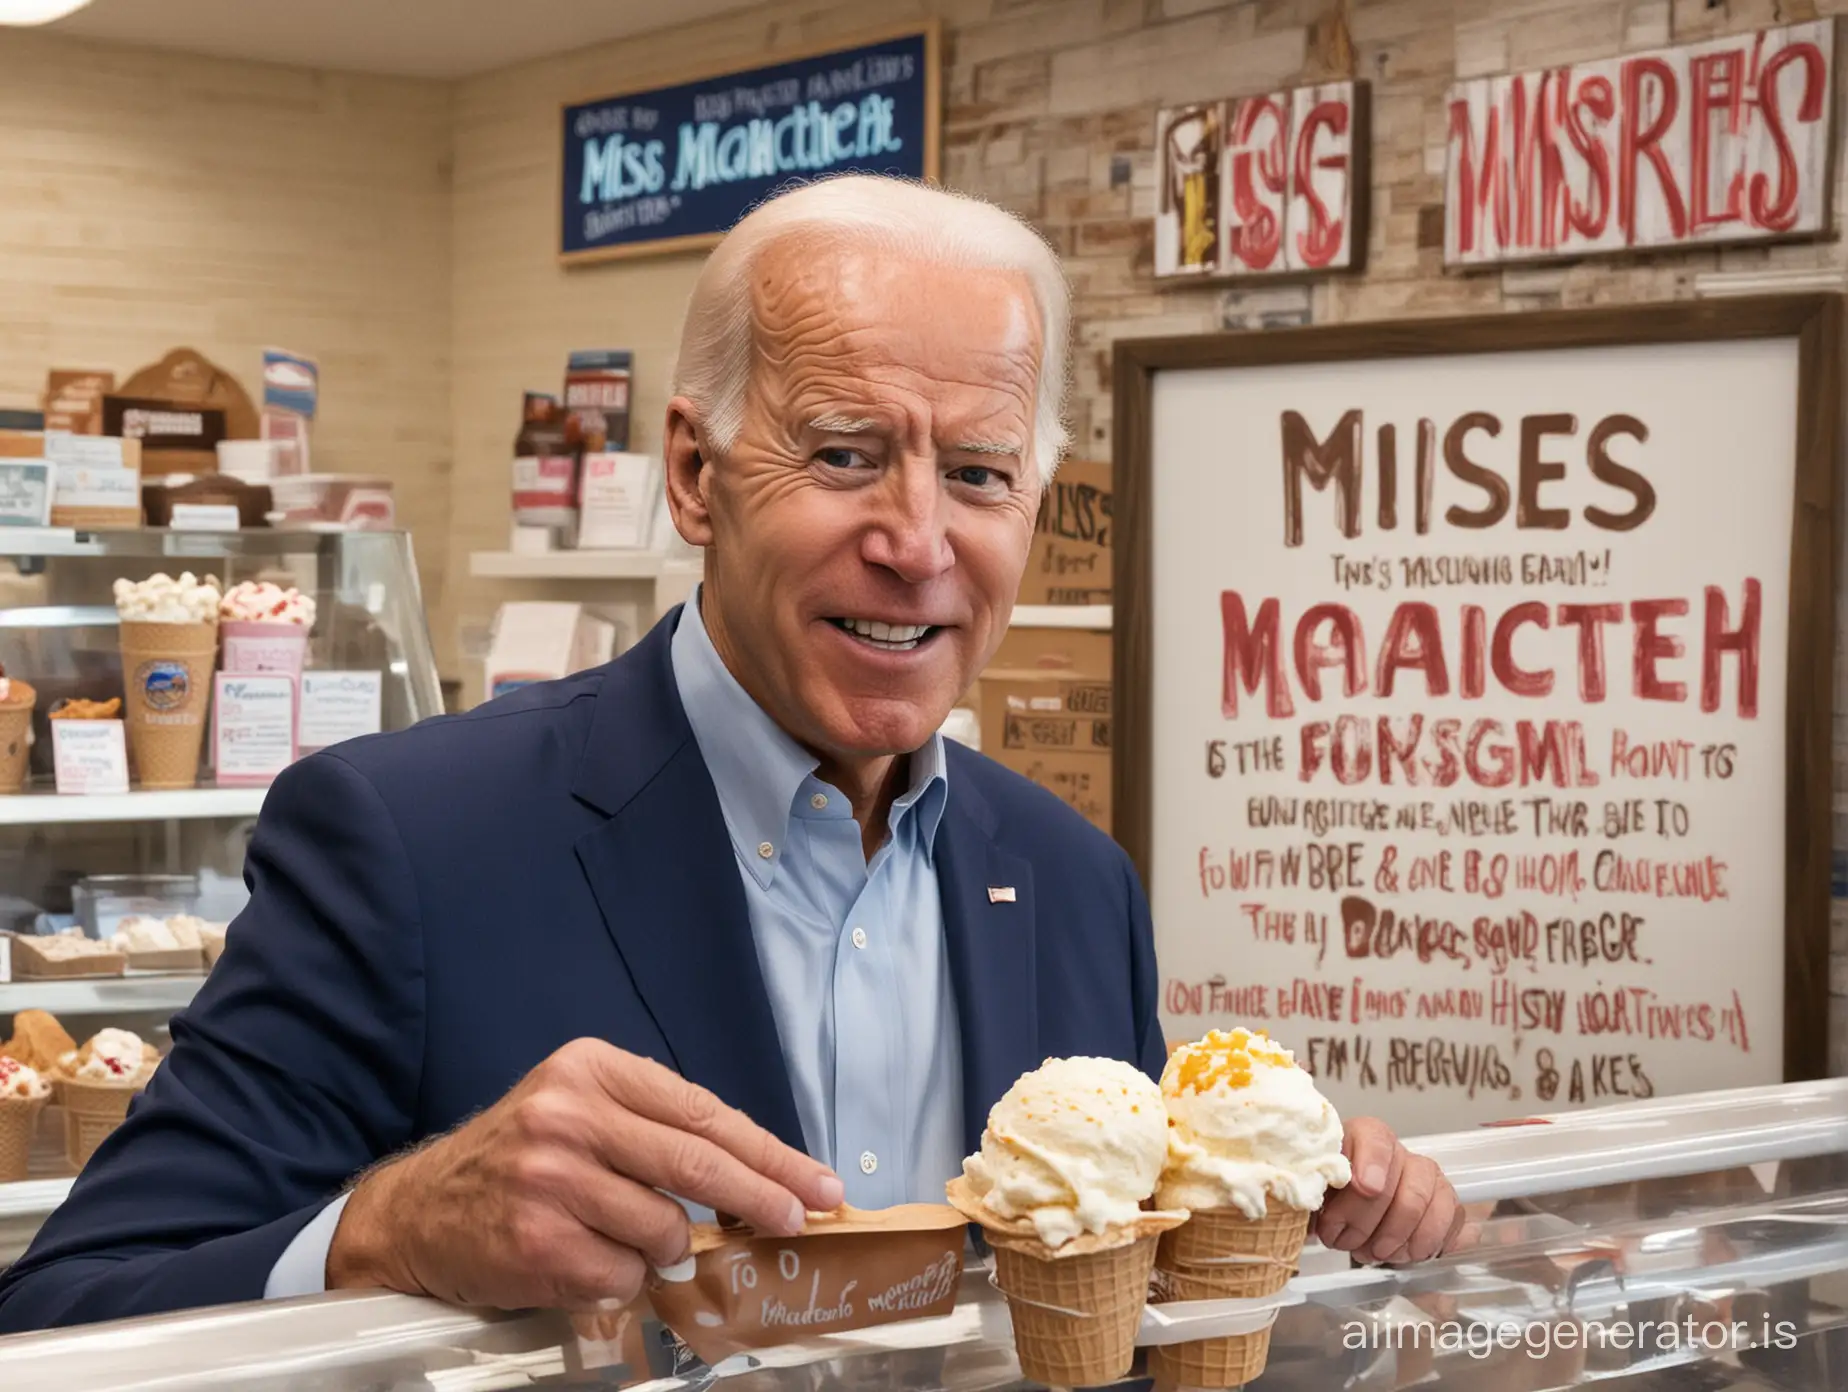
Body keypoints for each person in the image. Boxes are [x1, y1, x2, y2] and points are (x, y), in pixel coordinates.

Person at [0, 175, 1462, 1333]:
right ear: (696, 476)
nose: (916, 544)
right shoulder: (409, 841)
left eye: (977, 474)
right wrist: (395, 1225)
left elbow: (1103, 1295)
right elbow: (69, 1317)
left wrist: (1319, 1206)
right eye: (842, 455)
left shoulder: (1075, 882)